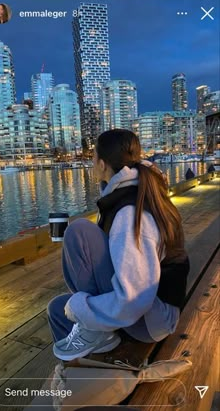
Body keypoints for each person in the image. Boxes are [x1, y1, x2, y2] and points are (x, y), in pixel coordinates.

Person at [47, 130, 189, 361]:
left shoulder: (129, 212)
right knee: (57, 308)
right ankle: (85, 352)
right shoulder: (140, 190)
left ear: (102, 164)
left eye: (92, 157)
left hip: (152, 319)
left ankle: (92, 349)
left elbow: (135, 298)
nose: (91, 162)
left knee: (79, 232)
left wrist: (84, 309)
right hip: (157, 308)